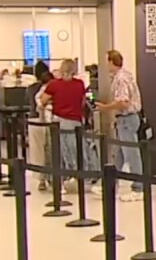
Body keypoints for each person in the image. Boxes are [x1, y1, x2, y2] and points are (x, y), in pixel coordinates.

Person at [39, 59, 100, 195]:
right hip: (75, 123)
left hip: (58, 122)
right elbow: (83, 102)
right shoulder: (79, 84)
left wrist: (53, 101)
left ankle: (59, 184)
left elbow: (42, 100)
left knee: (57, 153)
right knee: (78, 151)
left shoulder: (53, 85)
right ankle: (82, 177)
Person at [97, 50, 144, 202]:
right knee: (119, 154)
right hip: (124, 119)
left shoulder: (121, 79)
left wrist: (105, 108)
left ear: (111, 62)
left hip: (127, 119)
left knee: (131, 153)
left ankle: (138, 187)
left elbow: (123, 102)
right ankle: (111, 184)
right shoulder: (126, 75)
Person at [25, 62, 53, 191]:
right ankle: (52, 176)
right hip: (50, 120)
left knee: (37, 151)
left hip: (34, 120)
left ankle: (41, 179)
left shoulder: (30, 88)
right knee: (50, 149)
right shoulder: (52, 86)